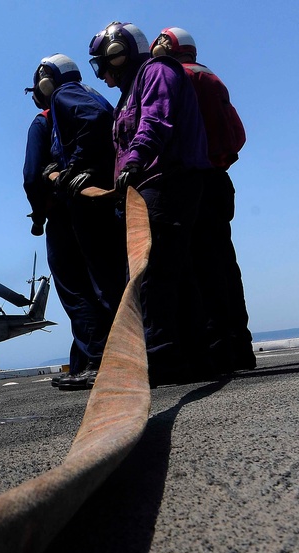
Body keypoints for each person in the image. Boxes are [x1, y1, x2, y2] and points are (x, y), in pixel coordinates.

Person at [88, 21, 211, 386]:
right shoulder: (129, 92)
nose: (104, 76)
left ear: (118, 54)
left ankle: (160, 361)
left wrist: (136, 160)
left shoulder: (155, 72)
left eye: (104, 65)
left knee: (150, 274)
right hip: (148, 188)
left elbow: (156, 120)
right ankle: (192, 358)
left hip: (166, 183)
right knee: (174, 271)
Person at [151, 27, 255, 374]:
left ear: (168, 46)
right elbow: (238, 134)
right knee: (225, 265)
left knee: (197, 269)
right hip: (219, 180)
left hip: (191, 181)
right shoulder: (213, 78)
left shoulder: (176, 77)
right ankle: (239, 348)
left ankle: (213, 352)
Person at [23, 53, 124, 390]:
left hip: (71, 208)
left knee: (75, 289)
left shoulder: (53, 109)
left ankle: (97, 361)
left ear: (46, 81)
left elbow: (30, 176)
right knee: (99, 285)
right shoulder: (88, 95)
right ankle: (91, 359)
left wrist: (39, 214)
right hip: (97, 201)